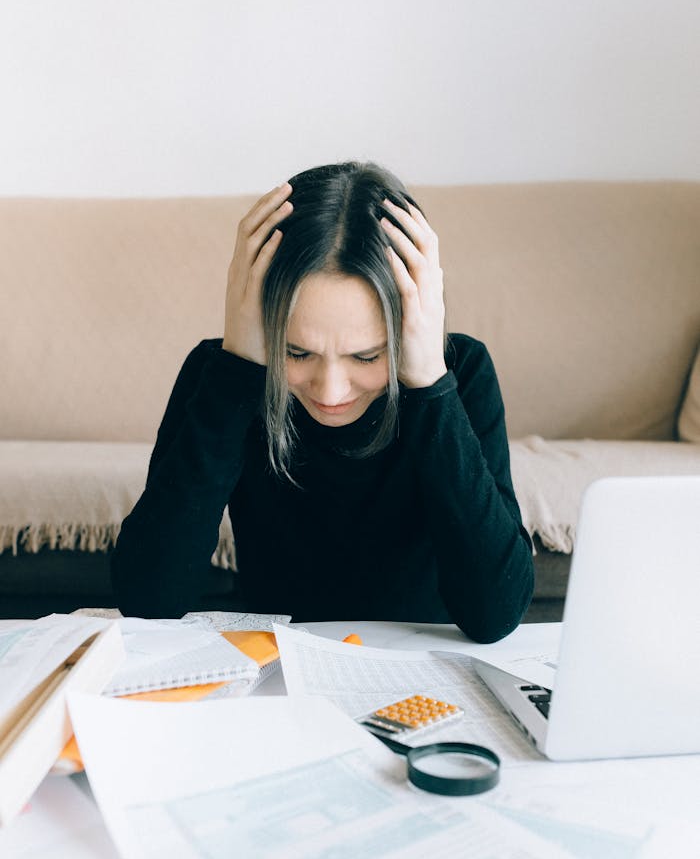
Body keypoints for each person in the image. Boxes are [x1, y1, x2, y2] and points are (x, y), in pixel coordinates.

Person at [111, 161, 533, 642]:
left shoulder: (461, 373)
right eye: (297, 352)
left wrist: (429, 386)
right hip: (276, 665)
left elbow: (496, 615)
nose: (331, 392)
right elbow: (148, 602)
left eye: (367, 356)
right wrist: (238, 369)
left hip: (420, 666)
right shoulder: (222, 375)